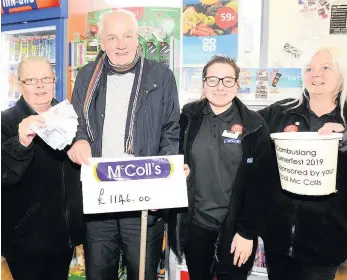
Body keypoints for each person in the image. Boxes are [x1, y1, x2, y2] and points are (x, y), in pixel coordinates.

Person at [68, 9, 180, 280]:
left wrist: (161, 188)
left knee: (142, 273)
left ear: (137, 38)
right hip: (100, 197)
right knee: (99, 272)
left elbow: (170, 132)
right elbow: (76, 121)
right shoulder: (86, 76)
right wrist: (80, 138)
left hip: (141, 196)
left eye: (128, 36)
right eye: (113, 37)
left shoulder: (161, 76)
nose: (121, 44)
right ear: (102, 42)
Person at [169, 55, 274, 280]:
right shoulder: (189, 116)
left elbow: (262, 186)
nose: (220, 87)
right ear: (204, 83)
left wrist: (247, 233)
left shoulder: (254, 126)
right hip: (196, 223)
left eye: (227, 80)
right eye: (213, 80)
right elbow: (175, 155)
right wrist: (178, 172)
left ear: (237, 84)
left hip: (235, 229)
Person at [258, 47, 347, 280]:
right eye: (309, 69)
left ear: (341, 75)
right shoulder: (281, 112)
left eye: (325, 68)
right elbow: (245, 125)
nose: (316, 74)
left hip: (327, 242)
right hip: (278, 238)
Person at [1, 56, 85, 280]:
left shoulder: (70, 117)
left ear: (54, 81)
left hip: (64, 237)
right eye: (31, 80)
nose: (40, 85)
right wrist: (21, 141)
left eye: (46, 78)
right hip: (24, 240)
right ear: (19, 84)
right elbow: (4, 175)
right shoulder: (6, 121)